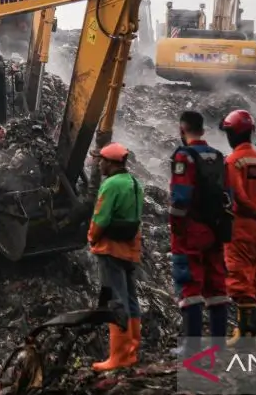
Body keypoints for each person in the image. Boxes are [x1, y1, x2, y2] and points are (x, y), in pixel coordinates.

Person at [169, 111, 231, 353]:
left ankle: (191, 346)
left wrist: (177, 228)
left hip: (192, 230)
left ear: (181, 129)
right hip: (216, 227)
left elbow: (180, 197)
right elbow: (228, 194)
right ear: (203, 131)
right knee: (217, 283)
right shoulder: (218, 156)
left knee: (189, 284)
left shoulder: (184, 156)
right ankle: (219, 344)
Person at [87, 142, 144, 371]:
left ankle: (118, 356)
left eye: (101, 160)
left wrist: (91, 237)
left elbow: (100, 219)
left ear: (111, 163)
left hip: (111, 250)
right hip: (130, 250)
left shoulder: (110, 185)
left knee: (116, 301)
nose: (99, 164)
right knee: (130, 299)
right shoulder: (134, 183)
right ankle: (131, 351)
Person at [220, 110, 256, 342]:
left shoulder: (233, 161)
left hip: (241, 225)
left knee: (240, 278)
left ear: (232, 133)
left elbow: (237, 195)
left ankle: (245, 332)